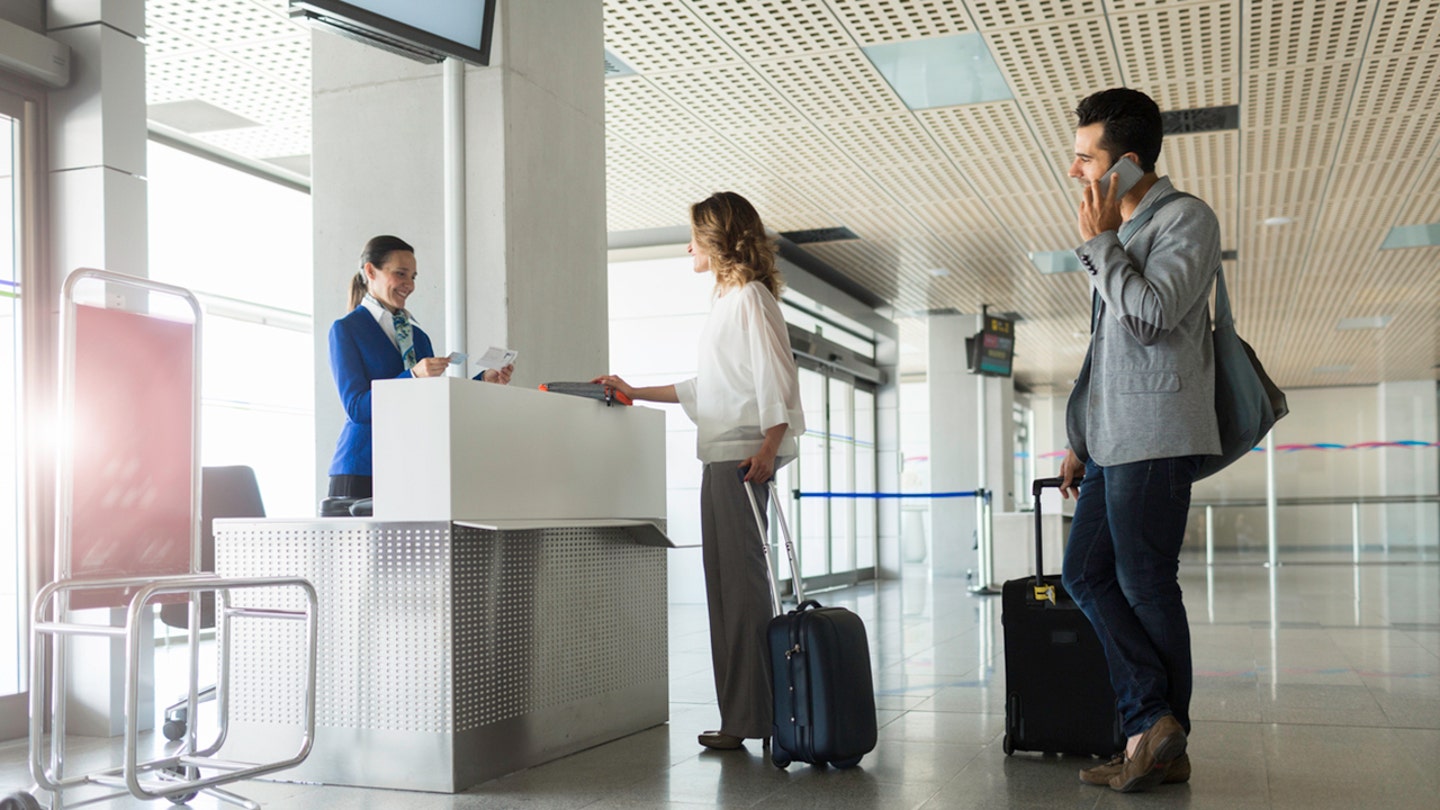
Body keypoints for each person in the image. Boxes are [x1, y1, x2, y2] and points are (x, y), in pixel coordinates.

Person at [593, 192, 805, 751]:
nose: (687, 246)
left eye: (694, 236)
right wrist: (635, 390)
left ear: (717, 239)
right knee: (729, 589)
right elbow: (707, 387)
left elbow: (777, 379)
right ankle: (747, 714)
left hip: (741, 460)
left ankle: (749, 717)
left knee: (740, 591)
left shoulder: (750, 298)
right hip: (725, 456)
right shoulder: (731, 300)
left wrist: (768, 446)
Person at [1057, 88, 1221, 793]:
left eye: (1084, 159)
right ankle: (1152, 727)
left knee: (1146, 583)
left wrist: (1100, 245)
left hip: (1154, 434)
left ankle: (1156, 740)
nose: (1075, 173)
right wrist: (1082, 436)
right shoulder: (1122, 234)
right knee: (1084, 574)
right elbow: (1112, 349)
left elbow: (1151, 317)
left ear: (1124, 164)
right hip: (1112, 436)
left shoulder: (1186, 218)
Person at [326, 235, 514, 505]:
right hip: (362, 469)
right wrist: (412, 376)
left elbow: (435, 404)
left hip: (411, 469)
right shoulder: (346, 330)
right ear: (370, 271)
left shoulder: (418, 337)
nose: (410, 285)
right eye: (400, 274)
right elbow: (356, 408)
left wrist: (484, 379)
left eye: (413, 276)